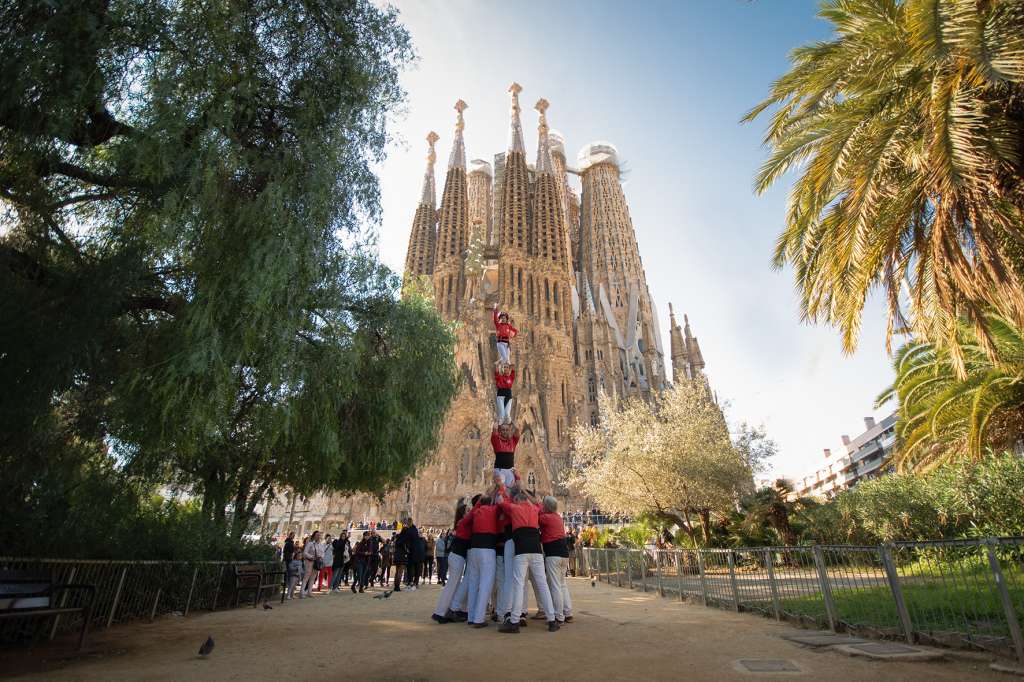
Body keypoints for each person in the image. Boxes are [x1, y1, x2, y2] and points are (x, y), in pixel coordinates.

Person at [494, 479, 558, 633]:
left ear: (516, 500)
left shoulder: (514, 508)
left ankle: (514, 621)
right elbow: (537, 501)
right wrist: (524, 490)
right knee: (542, 585)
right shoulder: (535, 509)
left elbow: (501, 501)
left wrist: (501, 485)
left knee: (518, 585)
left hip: (521, 551)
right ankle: (552, 620)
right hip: (536, 550)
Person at [464, 488, 501, 627]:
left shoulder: (475, 512)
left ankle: (471, 616)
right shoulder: (493, 510)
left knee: (473, 583)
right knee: (486, 583)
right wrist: (498, 488)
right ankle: (479, 619)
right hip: (487, 549)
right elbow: (501, 504)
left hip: (474, 549)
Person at [432, 499, 471, 623]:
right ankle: (440, 613)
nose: (470, 511)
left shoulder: (461, 522)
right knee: (452, 585)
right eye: (467, 510)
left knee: (455, 584)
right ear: (463, 513)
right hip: (457, 558)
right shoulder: (463, 522)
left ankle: (451, 610)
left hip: (456, 557)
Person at [539, 496, 572, 624]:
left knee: (555, 585)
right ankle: (568, 612)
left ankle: (559, 616)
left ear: (546, 507)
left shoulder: (546, 518)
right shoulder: (558, 517)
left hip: (553, 553)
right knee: (562, 584)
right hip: (564, 553)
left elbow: (535, 517)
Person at [392, 515, 420, 592]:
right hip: (402, 556)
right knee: (400, 571)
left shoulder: (398, 538)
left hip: (396, 555)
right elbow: (405, 546)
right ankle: (397, 587)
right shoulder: (405, 538)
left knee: (397, 571)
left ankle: (396, 585)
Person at [491, 421, 521, 488]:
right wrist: (500, 419)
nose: (505, 431)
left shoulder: (512, 441)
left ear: (509, 431)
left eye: (507, 430)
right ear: (500, 431)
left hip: (510, 470)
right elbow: (494, 428)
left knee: (510, 490)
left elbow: (517, 431)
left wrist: (512, 421)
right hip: (499, 470)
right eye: (503, 430)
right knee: (500, 490)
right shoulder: (496, 440)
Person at [301, 530, 323, 598]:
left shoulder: (320, 545)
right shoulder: (310, 543)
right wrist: (311, 557)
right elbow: (305, 552)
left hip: (317, 562)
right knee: (306, 577)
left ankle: (309, 592)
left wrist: (321, 557)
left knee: (313, 578)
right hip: (310, 561)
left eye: (319, 535)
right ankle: (302, 593)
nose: (318, 536)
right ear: (314, 536)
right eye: (317, 535)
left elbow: (323, 553)